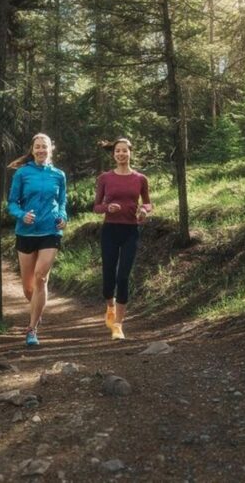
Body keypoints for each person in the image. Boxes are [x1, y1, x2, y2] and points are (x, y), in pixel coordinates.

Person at [7, 133, 68, 347]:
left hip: (50, 231)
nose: (41, 150)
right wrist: (22, 214)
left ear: (52, 149)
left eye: (45, 146)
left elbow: (62, 201)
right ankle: (37, 309)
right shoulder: (23, 173)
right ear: (33, 150)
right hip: (26, 232)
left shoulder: (59, 174)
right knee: (28, 288)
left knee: (41, 278)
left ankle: (32, 329)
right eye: (38, 147)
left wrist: (63, 217)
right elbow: (12, 203)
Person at [93, 137, 152, 340]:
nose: (121, 154)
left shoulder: (140, 179)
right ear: (113, 154)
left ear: (130, 152)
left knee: (123, 276)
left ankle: (118, 324)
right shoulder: (105, 178)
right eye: (117, 151)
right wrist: (107, 208)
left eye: (124, 151)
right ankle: (109, 306)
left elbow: (148, 203)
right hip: (110, 230)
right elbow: (96, 206)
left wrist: (144, 210)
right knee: (109, 275)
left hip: (130, 231)